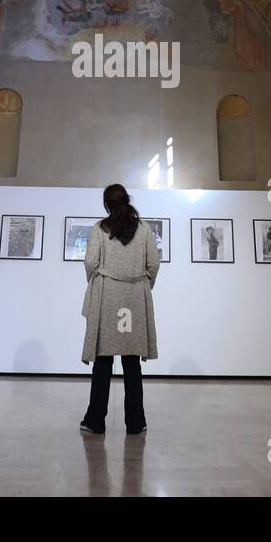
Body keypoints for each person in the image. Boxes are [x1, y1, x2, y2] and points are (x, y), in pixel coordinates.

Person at [80, 184, 160, 435]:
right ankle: (136, 423)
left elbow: (91, 261)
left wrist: (97, 282)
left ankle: (95, 421)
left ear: (107, 204)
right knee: (132, 363)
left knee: (103, 362)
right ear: (127, 200)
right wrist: (143, 286)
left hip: (107, 297)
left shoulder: (100, 229)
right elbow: (154, 264)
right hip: (134, 297)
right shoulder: (145, 229)